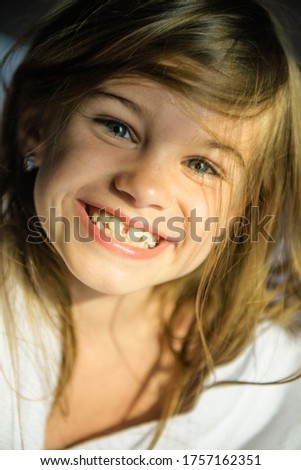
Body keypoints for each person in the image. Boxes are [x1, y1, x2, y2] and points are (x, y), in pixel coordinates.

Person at [1, 0, 301, 451]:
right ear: (37, 128)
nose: (145, 188)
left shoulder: (262, 382)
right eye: (117, 127)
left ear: (245, 209)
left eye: (202, 164)